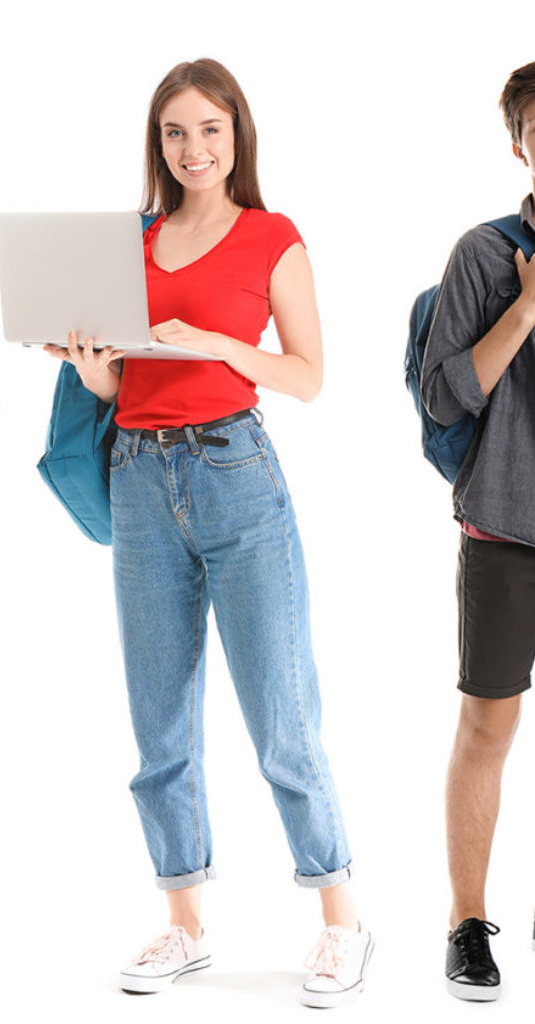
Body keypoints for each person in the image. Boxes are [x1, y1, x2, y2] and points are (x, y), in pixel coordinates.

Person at [46, 58, 371, 1008]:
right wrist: (93, 370)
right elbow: (123, 390)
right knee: (160, 722)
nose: (194, 149)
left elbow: (308, 375)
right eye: (176, 133)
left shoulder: (273, 236)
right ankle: (185, 922)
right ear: (159, 144)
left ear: (238, 136)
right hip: (141, 478)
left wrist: (222, 344)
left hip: (236, 476)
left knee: (282, 714)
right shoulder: (132, 242)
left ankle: (340, 921)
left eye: (210, 130)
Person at [421, 61, 535, 1003]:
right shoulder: (484, 254)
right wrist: (528, 307)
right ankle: (467, 923)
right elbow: (444, 391)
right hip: (507, 526)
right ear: (519, 145)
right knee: (487, 725)